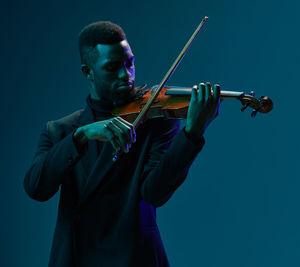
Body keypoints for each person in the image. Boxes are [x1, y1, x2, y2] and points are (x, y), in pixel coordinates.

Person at [24, 21, 220, 267]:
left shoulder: (156, 119)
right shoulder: (60, 130)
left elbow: (155, 192)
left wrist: (192, 133)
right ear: (88, 72)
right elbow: (36, 187)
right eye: (112, 67)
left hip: (134, 257)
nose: (125, 75)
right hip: (76, 258)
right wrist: (80, 137)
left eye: (129, 63)